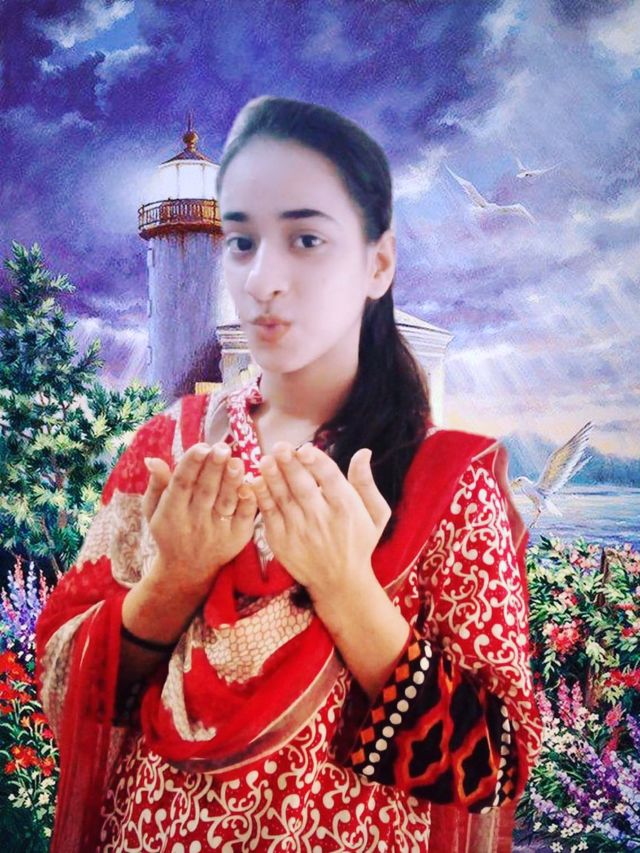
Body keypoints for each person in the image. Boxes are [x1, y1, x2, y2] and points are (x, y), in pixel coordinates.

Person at [35, 95, 543, 852]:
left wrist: (346, 588)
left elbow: (495, 763)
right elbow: (67, 690)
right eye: (242, 241)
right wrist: (172, 581)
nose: (264, 278)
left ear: (378, 263)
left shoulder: (449, 480)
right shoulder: (168, 448)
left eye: (306, 239)